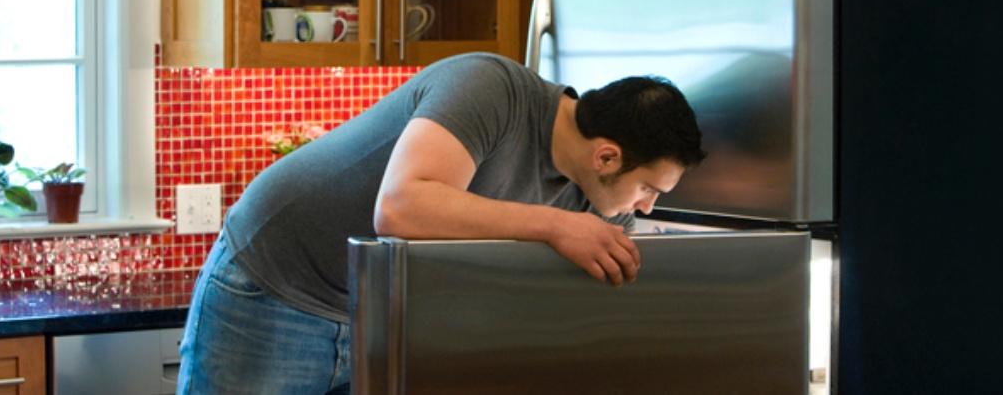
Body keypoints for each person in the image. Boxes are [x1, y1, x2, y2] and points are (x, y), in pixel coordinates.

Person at [176, 52, 704, 394]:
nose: (647, 208)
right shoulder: (490, 87)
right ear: (607, 157)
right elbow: (402, 207)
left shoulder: (594, 199)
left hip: (381, 320)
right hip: (275, 285)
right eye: (649, 190)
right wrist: (554, 226)